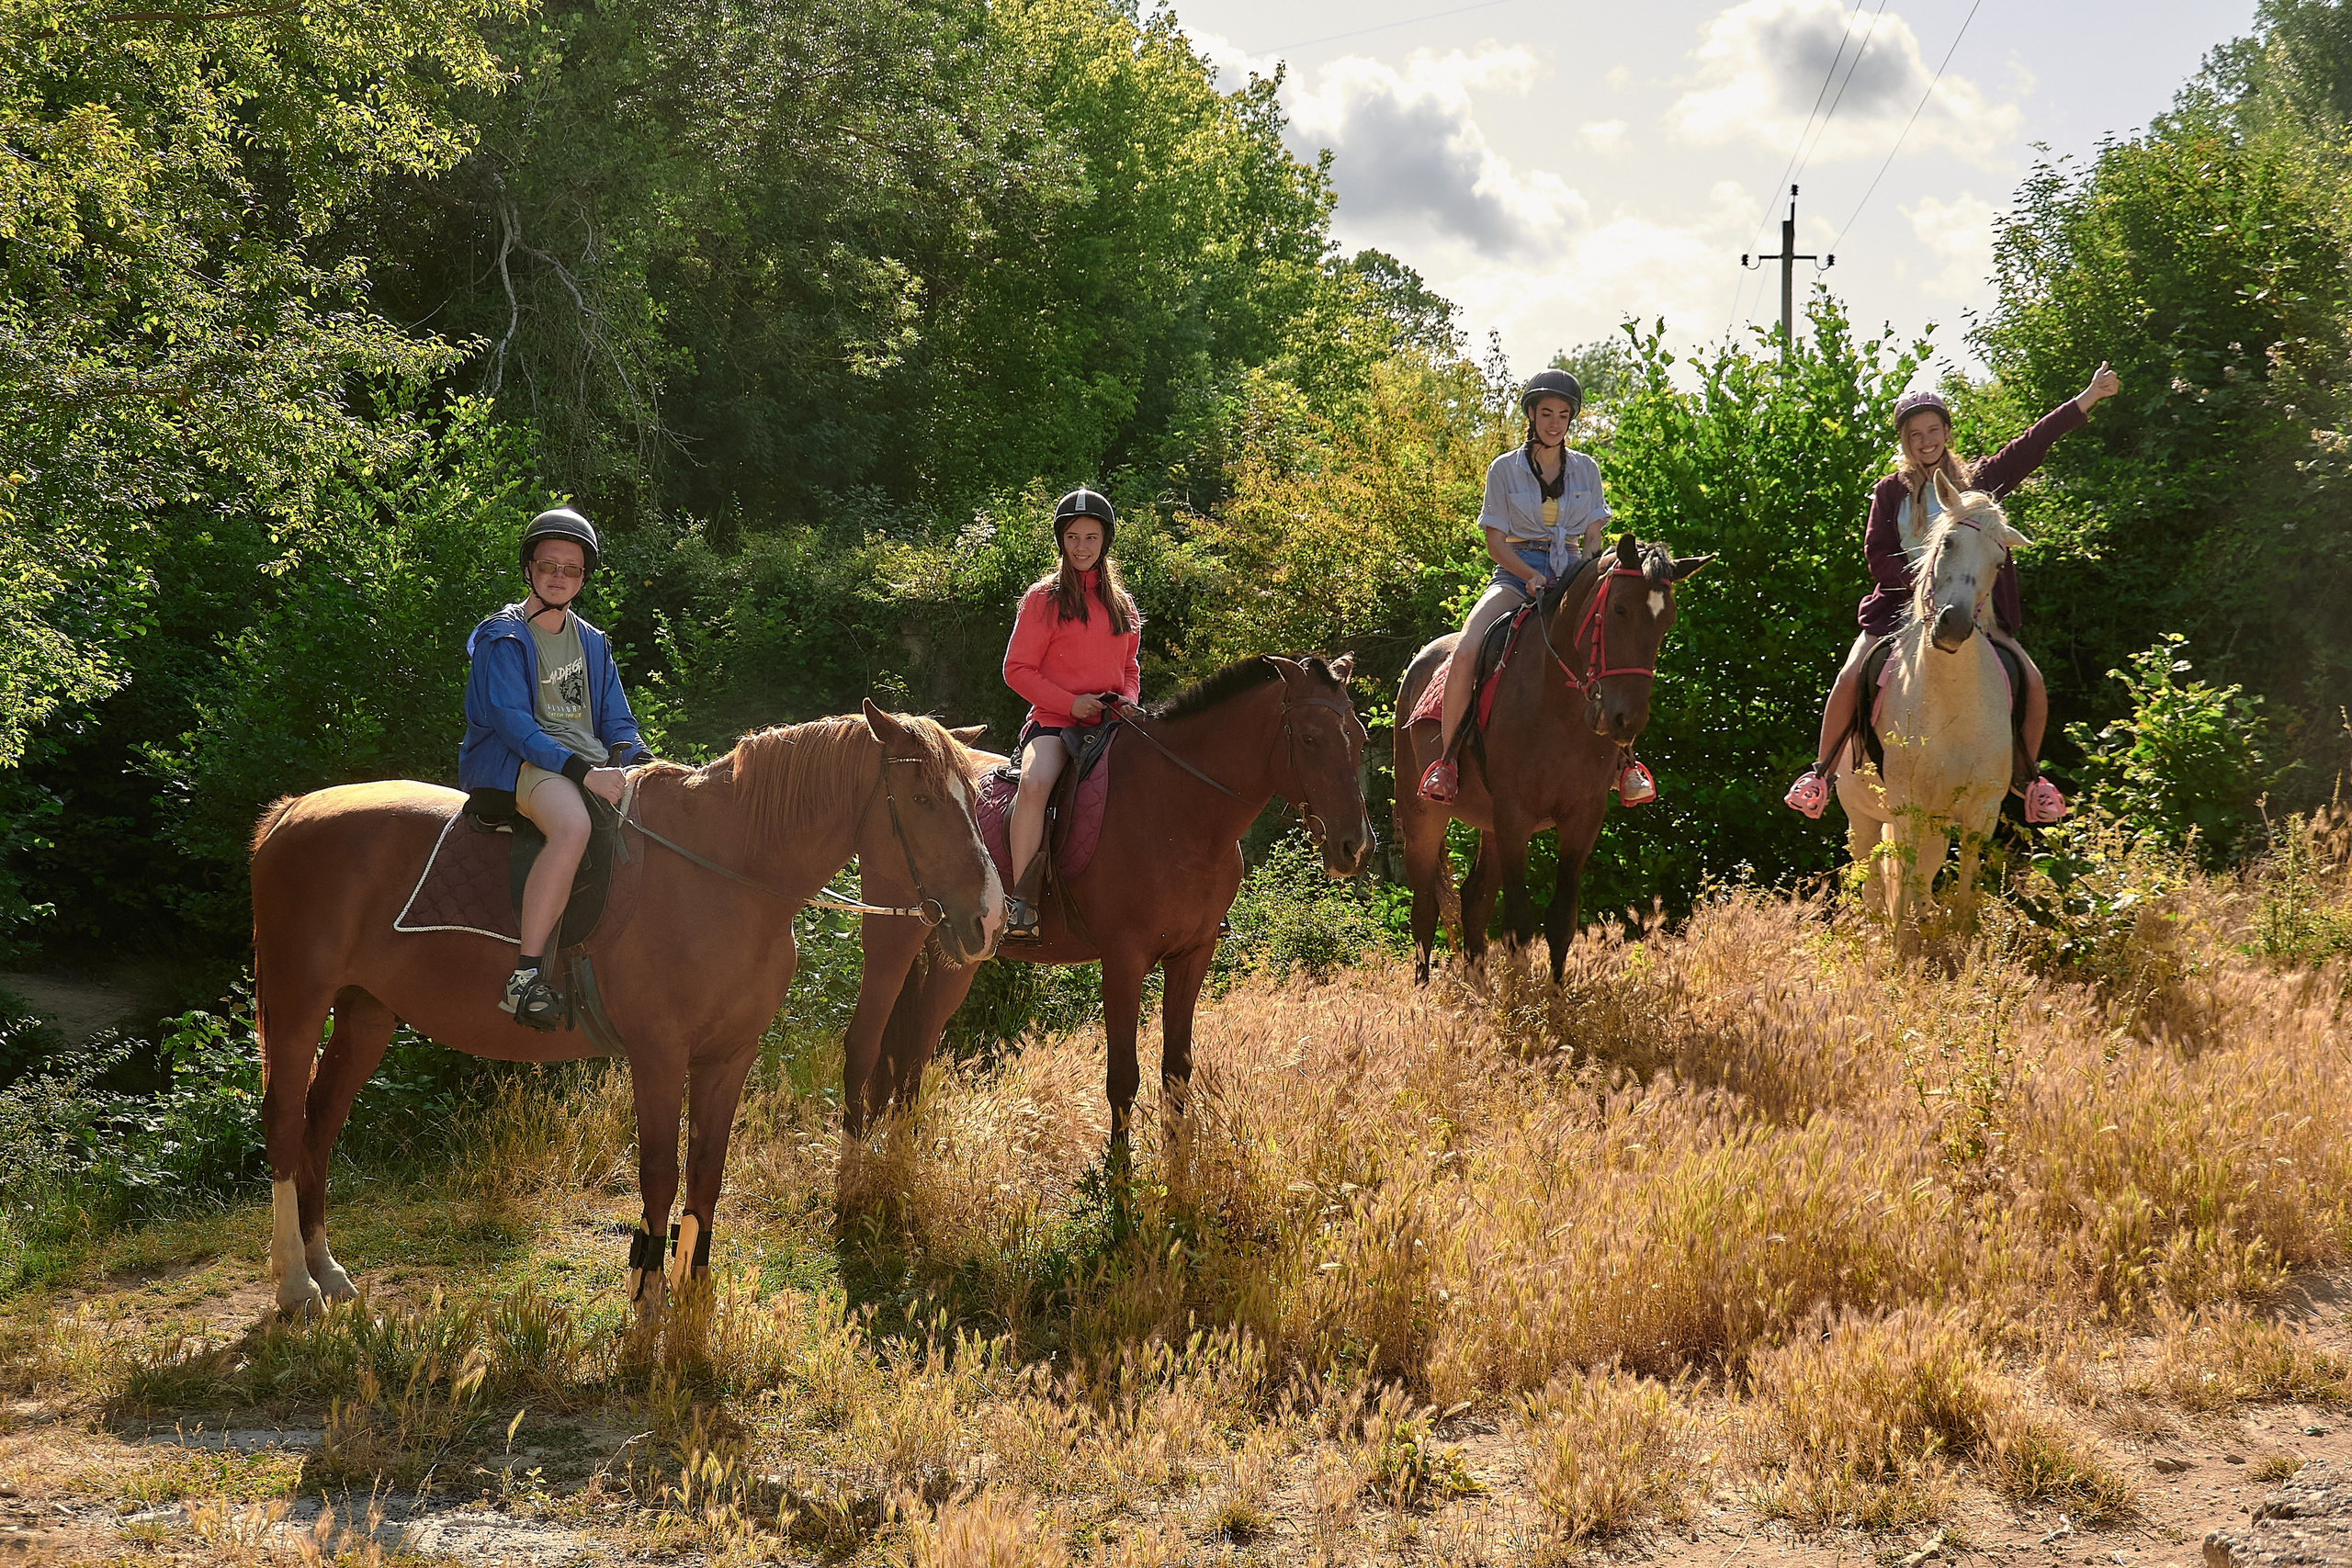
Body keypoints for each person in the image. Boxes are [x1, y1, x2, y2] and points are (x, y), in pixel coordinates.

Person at [1785, 364, 2123, 824]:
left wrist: (2087, 398)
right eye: (1915, 434)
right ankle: (1820, 776)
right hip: (1899, 612)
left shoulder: (1978, 481)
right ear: (1904, 442)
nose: (1926, 441)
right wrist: (1921, 582)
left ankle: (2028, 777)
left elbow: (2031, 444)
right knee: (1849, 676)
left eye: (1933, 430)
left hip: (1974, 613)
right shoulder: (1889, 493)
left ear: (1947, 431)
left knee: (2033, 681)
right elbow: (1877, 555)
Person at [458, 507, 652, 1029]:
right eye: (549, 565)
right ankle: (524, 978)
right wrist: (582, 772)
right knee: (572, 827)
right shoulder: (502, 638)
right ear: (528, 569)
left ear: (584, 577)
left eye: (571, 568)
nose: (559, 576)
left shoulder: (593, 641)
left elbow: (617, 720)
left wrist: (647, 764)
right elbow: (514, 725)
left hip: (584, 761)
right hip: (517, 762)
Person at [1419, 368, 1611, 802]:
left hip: (1573, 573)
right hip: (1515, 571)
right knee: (1467, 647)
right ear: (1530, 414)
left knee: (1611, 646)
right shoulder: (1503, 469)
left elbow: (1595, 535)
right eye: (1546, 413)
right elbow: (1494, 542)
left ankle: (1625, 763)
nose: (1554, 422)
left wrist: (1588, 572)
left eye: (1563, 414)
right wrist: (1529, 576)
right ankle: (1446, 763)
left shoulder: (1587, 470)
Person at [1000, 488, 1142, 942]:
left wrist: (1130, 700)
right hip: (1055, 722)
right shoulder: (1043, 599)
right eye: (1073, 537)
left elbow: (1129, 667)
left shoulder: (1123, 604)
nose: (1081, 547)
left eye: (1091, 538)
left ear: (1106, 542)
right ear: (1062, 540)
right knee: (1035, 782)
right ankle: (1022, 900)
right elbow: (1016, 669)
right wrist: (1070, 703)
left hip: (1112, 723)